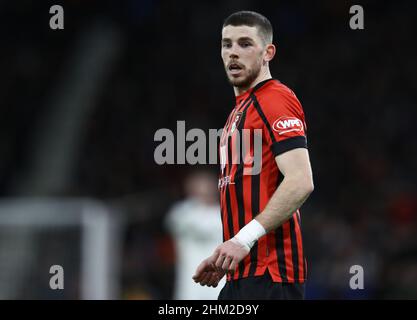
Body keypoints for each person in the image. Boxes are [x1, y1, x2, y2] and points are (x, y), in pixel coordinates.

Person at [192, 11, 314, 300]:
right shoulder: (238, 112)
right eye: (227, 44)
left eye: (245, 43)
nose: (233, 53)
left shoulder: (274, 98)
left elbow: (301, 181)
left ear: (268, 52)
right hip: (244, 274)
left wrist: (242, 241)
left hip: (271, 276)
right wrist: (229, 255)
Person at [165, 170, 225, 299]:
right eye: (199, 184)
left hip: (219, 281)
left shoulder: (224, 213)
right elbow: (177, 222)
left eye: (207, 184)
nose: (204, 189)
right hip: (190, 282)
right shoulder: (181, 212)